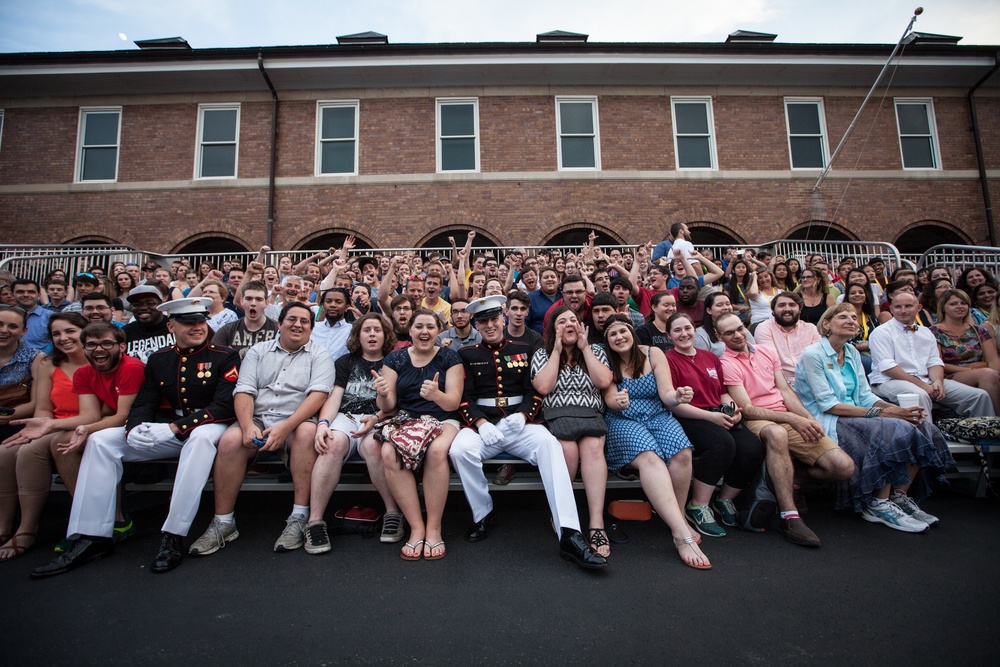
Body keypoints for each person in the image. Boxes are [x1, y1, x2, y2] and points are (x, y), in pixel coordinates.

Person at [31, 298, 241, 578]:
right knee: (102, 440)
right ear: (171, 325)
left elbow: (224, 406)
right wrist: (135, 428)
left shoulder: (224, 355)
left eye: (201, 321)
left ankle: (173, 535)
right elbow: (145, 401)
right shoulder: (160, 358)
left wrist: (179, 427)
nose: (197, 327)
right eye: (188, 322)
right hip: (167, 425)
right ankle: (92, 535)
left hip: (210, 424)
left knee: (200, 439)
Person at [449, 296, 606, 569]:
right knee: (459, 450)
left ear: (503, 319)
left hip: (518, 424)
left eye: (493, 319)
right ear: (476, 324)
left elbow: (533, 390)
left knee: (550, 446)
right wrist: (480, 423)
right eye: (483, 321)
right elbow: (464, 397)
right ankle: (483, 512)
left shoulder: (523, 348)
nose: (489, 325)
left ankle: (569, 531)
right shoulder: (466, 355)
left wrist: (523, 415)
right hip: (483, 425)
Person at [188, 302, 334, 558]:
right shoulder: (258, 350)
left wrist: (285, 427)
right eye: (292, 319)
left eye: (304, 321)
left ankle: (299, 516)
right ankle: (224, 521)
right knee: (230, 440)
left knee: (307, 434)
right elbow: (244, 389)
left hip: (296, 420)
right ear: (279, 323)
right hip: (258, 418)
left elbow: (318, 395)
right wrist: (246, 426)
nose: (297, 324)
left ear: (312, 328)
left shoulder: (320, 354)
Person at [795, 304, 955, 531]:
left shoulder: (851, 353)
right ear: (827, 324)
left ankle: (898, 496)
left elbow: (865, 395)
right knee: (895, 429)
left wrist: (899, 411)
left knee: (922, 427)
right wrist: (888, 413)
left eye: (854, 317)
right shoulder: (813, 354)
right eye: (843, 317)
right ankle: (878, 504)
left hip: (857, 414)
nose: (851, 320)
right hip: (830, 419)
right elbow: (829, 405)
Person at [0, 319, 145, 559]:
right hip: (99, 423)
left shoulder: (131, 367)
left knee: (76, 443)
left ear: (122, 347)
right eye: (91, 344)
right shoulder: (83, 373)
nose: (98, 349)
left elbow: (122, 416)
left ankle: (112, 520)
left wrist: (83, 429)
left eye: (106, 343)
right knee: (41, 447)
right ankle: (75, 524)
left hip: (137, 426)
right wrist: (50, 423)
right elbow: (90, 414)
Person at [719, 312, 855, 548]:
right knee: (777, 434)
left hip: (785, 414)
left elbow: (784, 390)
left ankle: (784, 479)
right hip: (759, 419)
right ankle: (789, 516)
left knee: (843, 467)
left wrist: (808, 419)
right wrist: (792, 419)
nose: (737, 335)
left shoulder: (766, 352)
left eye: (740, 328)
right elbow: (748, 409)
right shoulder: (726, 363)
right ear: (719, 337)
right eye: (729, 333)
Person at [600, 315, 709, 569]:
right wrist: (620, 402)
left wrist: (679, 396)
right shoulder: (606, 360)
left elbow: (666, 394)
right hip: (622, 419)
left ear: (632, 332)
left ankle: (677, 516)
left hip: (657, 413)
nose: (619, 337)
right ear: (607, 341)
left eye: (622, 331)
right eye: (612, 334)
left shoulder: (653, 353)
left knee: (682, 452)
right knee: (651, 458)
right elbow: (609, 399)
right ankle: (681, 535)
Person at [308, 313, 403, 552]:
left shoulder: (395, 361)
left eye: (377, 330)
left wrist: (377, 418)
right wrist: (323, 424)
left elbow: (394, 404)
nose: (372, 334)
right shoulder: (346, 362)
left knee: (373, 446)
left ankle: (393, 512)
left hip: (379, 418)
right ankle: (314, 520)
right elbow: (335, 397)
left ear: (385, 335)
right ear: (357, 335)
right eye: (367, 330)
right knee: (330, 444)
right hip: (346, 417)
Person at [666, 313, 766, 538]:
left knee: (752, 447)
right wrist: (711, 418)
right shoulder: (668, 359)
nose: (684, 334)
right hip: (688, 417)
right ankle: (698, 505)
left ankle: (725, 499)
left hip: (717, 415)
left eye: (687, 328)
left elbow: (722, 393)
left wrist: (732, 412)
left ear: (695, 329)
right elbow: (673, 403)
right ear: (669, 335)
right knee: (722, 443)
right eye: (677, 330)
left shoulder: (710, 357)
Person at [376, 309, 463, 561]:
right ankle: (416, 527)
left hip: (444, 419)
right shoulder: (395, 359)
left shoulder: (450, 357)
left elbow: (454, 403)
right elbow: (388, 406)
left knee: (437, 451)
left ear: (438, 331)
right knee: (389, 452)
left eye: (430, 327)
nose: (424, 332)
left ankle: (434, 528)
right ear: (410, 330)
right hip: (407, 418)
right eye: (419, 326)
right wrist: (382, 393)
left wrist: (436, 395)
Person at [0, 314, 87, 559]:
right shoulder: (48, 363)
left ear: (85, 331)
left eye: (70, 331)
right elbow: (43, 410)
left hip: (84, 424)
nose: (63, 338)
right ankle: (7, 525)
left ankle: (29, 528)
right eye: (56, 334)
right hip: (51, 424)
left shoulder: (98, 360)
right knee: (6, 450)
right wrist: (37, 428)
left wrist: (47, 428)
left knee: (30, 451)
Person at [531, 306, 613, 556]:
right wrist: (556, 350)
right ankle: (564, 515)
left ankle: (596, 523)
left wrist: (585, 348)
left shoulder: (596, 350)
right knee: (567, 451)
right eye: (562, 321)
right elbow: (544, 387)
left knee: (593, 449)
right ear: (553, 329)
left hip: (590, 414)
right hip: (558, 415)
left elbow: (603, 382)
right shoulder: (541, 353)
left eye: (574, 320)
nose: (569, 324)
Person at [869, 292, 994, 422]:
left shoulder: (926, 332)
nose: (903, 310)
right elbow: (888, 367)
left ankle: (985, 436)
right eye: (898, 307)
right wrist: (922, 385)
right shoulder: (881, 332)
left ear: (919, 308)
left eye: (908, 306)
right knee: (919, 395)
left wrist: (938, 382)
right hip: (889, 381)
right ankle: (929, 439)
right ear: (891, 309)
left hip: (926, 379)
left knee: (979, 396)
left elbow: (934, 361)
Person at [929, 289, 1000, 415]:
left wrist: (995, 374)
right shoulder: (934, 331)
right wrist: (973, 372)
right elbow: (938, 363)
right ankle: (995, 421)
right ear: (943, 307)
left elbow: (993, 360)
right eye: (953, 304)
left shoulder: (979, 330)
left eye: (963, 303)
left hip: (984, 371)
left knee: (990, 375)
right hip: (952, 374)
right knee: (987, 375)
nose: (959, 307)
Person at [753, 291, 821, 387]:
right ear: (773, 311)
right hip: (781, 383)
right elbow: (771, 363)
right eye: (781, 305)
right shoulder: (764, 328)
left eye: (792, 305)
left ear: (800, 309)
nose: (787, 309)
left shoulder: (811, 329)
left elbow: (818, 359)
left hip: (812, 381)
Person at [212, 281, 279, 358]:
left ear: (267, 303)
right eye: (248, 298)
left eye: (259, 299)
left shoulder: (277, 330)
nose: (253, 303)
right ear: (241, 301)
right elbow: (214, 357)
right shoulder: (228, 330)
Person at [695, 292, 757, 358]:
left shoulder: (741, 329)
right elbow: (702, 361)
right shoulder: (700, 334)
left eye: (728, 304)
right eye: (719, 305)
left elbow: (755, 350)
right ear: (709, 310)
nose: (725, 308)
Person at [122, 285, 175, 362]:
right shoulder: (125, 332)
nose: (143, 307)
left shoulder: (176, 326)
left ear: (160, 304)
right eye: (136, 305)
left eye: (149, 303)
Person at [844, 282, 879, 375]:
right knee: (873, 365)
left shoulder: (871, 317)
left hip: (872, 351)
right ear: (847, 297)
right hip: (850, 352)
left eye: (861, 292)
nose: (857, 295)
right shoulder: (841, 317)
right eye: (853, 293)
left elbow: (879, 335)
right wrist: (863, 346)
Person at [310, 287, 352, 360]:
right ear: (323, 306)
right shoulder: (312, 328)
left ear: (346, 307)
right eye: (328, 301)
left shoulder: (352, 331)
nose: (332, 305)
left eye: (338, 302)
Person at [11, 280, 52, 352]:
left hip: (41, 361)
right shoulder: (3, 316)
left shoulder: (51, 317)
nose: (26, 295)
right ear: (12, 295)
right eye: (20, 292)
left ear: (39, 295)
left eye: (31, 292)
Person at [527, 267, 561, 334]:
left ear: (558, 280)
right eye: (546, 277)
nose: (550, 279)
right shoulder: (531, 298)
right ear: (539, 282)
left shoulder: (565, 295)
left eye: (552, 277)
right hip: (539, 341)